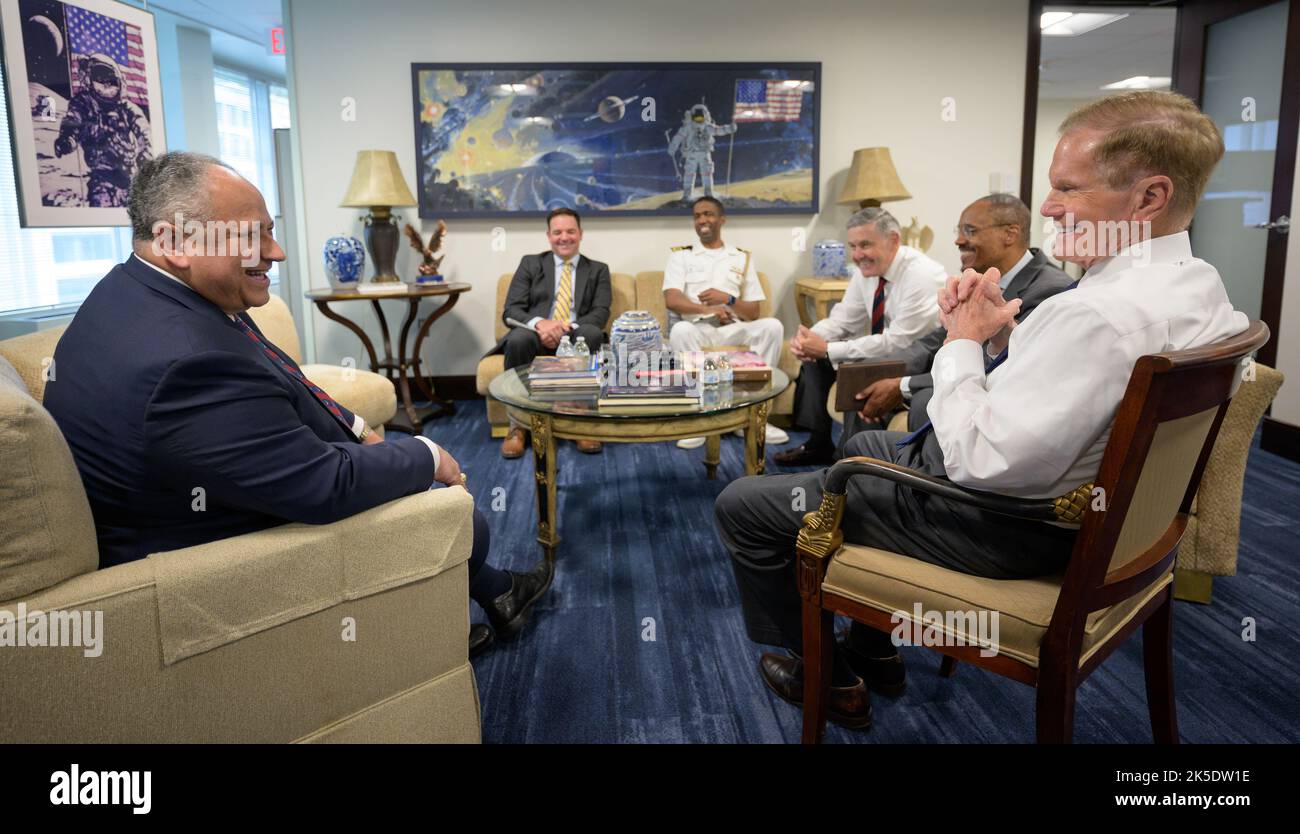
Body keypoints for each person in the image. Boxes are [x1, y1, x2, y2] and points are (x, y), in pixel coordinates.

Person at [714, 90, 1249, 730]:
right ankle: (872, 647)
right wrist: (1002, 339)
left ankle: (827, 676)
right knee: (861, 450)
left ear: (1150, 198)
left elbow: (976, 463)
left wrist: (964, 341)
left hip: (1008, 525)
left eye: (1068, 190)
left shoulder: (1093, 313)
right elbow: (1076, 393)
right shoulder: (1201, 286)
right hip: (1106, 527)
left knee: (745, 505)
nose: (1047, 208)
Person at [44, 152, 548, 659]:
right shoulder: (186, 361)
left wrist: (355, 428)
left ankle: (492, 596)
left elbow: (285, 379)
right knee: (461, 517)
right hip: (201, 561)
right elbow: (322, 484)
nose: (277, 252)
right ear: (176, 242)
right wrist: (426, 455)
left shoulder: (146, 293)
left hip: (218, 489)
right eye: (251, 236)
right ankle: (435, 633)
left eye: (270, 231)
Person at [826, 194, 1073, 457]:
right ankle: (847, 481)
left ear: (1010, 234)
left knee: (921, 398)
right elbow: (935, 340)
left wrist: (902, 385)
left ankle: (891, 481)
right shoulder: (979, 276)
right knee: (866, 373)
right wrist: (883, 367)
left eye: (970, 230)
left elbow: (1000, 365)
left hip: (991, 392)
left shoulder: (1050, 288)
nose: (958, 240)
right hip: (951, 373)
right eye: (959, 230)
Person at [777, 208, 945, 466]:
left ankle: (852, 465)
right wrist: (811, 338)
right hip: (890, 354)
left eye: (865, 245)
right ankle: (818, 443)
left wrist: (829, 349)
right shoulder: (866, 271)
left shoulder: (922, 275)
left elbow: (899, 342)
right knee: (815, 359)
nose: (857, 255)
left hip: (919, 361)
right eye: (853, 246)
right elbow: (844, 318)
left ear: (894, 240)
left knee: (858, 372)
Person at [664, 196, 789, 449]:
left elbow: (753, 312)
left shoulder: (741, 258)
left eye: (708, 214)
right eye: (697, 216)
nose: (702, 220)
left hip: (732, 328)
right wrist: (708, 308)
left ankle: (752, 416)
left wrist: (728, 300)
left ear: (722, 219)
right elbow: (672, 299)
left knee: (772, 326)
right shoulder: (681, 257)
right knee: (680, 329)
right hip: (698, 329)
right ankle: (698, 420)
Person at [491, 207, 611, 458]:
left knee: (592, 334)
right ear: (548, 235)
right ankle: (519, 425)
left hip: (576, 333)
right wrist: (540, 324)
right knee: (518, 339)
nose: (564, 237)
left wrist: (563, 327)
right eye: (557, 232)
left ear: (581, 234)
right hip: (535, 335)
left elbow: (600, 313)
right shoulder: (531, 263)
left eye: (570, 231)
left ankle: (581, 421)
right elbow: (511, 310)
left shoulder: (598, 269)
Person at [54, 53, 151, 207]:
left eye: (111, 81)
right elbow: (73, 124)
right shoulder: (83, 104)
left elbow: (144, 134)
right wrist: (67, 140)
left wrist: (145, 156)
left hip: (129, 177)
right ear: (89, 80)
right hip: (102, 177)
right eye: (100, 79)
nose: (106, 84)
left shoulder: (127, 108)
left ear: (120, 83)